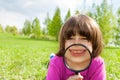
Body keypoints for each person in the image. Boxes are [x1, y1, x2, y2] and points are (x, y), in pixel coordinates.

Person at [46, 14, 106, 80]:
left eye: (84, 38)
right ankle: (52, 56)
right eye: (70, 38)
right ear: (63, 43)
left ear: (94, 43)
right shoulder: (55, 63)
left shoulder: (97, 64)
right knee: (53, 58)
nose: (76, 44)